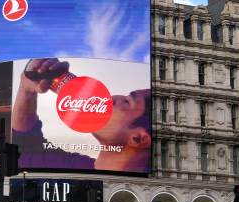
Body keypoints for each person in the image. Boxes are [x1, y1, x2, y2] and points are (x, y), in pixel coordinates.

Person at [12, 58, 151, 173]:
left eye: (127, 102)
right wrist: (27, 90)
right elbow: (23, 149)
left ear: (139, 139)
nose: (112, 98)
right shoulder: (71, 165)